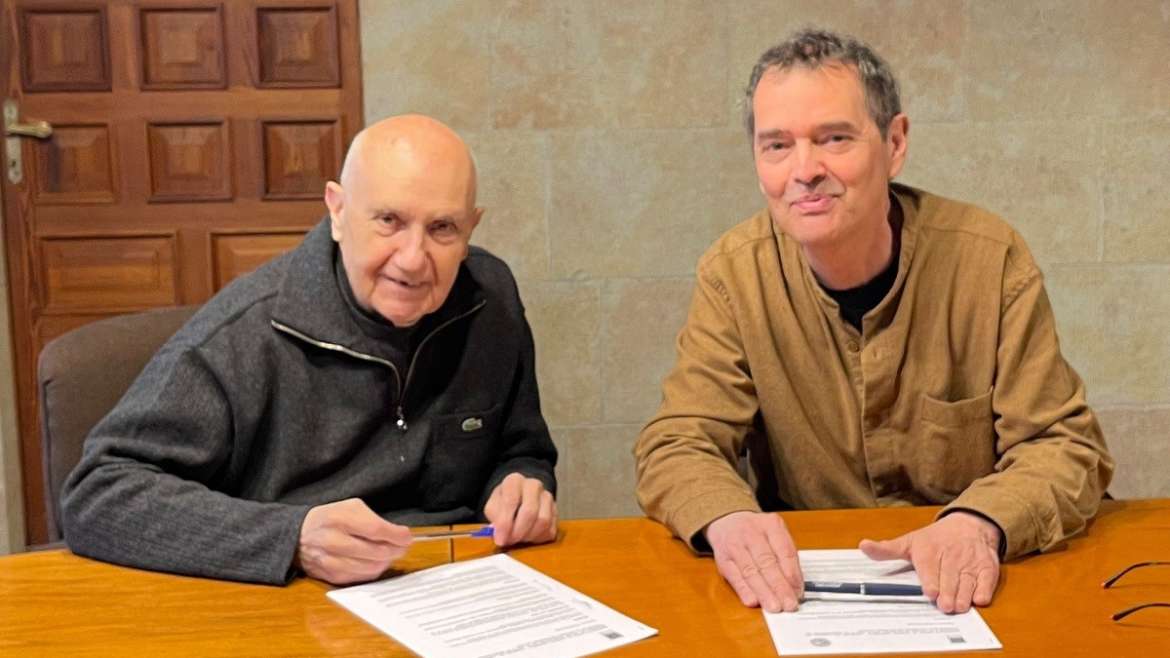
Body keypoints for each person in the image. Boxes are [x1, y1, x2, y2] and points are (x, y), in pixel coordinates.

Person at [634, 29, 1113, 616]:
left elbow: (1064, 445)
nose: (804, 171)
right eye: (777, 146)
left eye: (834, 138)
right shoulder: (732, 275)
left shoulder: (990, 260)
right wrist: (727, 517)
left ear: (895, 142)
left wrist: (980, 521)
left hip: (971, 581)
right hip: (810, 591)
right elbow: (678, 442)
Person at [62, 115, 558, 586]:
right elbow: (98, 494)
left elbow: (522, 448)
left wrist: (520, 482)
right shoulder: (243, 333)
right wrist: (291, 538)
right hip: (293, 595)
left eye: (442, 228)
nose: (412, 260)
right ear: (337, 211)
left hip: (460, 589)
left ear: (471, 228)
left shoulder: (491, 300)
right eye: (388, 220)